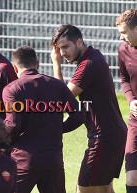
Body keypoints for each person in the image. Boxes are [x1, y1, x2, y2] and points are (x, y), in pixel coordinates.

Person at [51, 24, 127, 193]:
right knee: (104, 189)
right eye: (59, 49)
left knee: (83, 188)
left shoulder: (88, 64)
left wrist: (56, 65)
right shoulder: (93, 56)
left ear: (79, 42)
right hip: (113, 135)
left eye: (65, 46)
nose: (62, 53)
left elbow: (62, 101)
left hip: (104, 137)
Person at [2, 45, 85, 193]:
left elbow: (13, 124)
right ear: (37, 63)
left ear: (15, 67)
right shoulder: (57, 85)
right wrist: (60, 128)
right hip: (53, 160)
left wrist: (1, 146)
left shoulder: (12, 89)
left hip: (24, 160)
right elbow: (79, 115)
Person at [116, 9, 137, 193]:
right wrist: (131, 100)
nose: (121, 38)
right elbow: (124, 79)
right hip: (135, 121)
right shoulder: (123, 49)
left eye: (124, 32)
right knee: (132, 177)